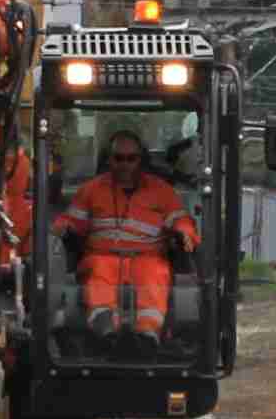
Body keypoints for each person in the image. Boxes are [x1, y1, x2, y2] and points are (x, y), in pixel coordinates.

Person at [53, 127, 200, 339]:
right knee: (97, 270)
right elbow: (72, 219)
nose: (125, 164)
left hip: (148, 257)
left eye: (131, 158)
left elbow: (180, 219)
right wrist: (60, 228)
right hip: (103, 256)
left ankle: (147, 335)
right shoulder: (91, 190)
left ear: (141, 160)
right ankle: (106, 331)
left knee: (154, 275)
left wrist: (185, 233)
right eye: (118, 158)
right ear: (109, 160)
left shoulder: (161, 191)